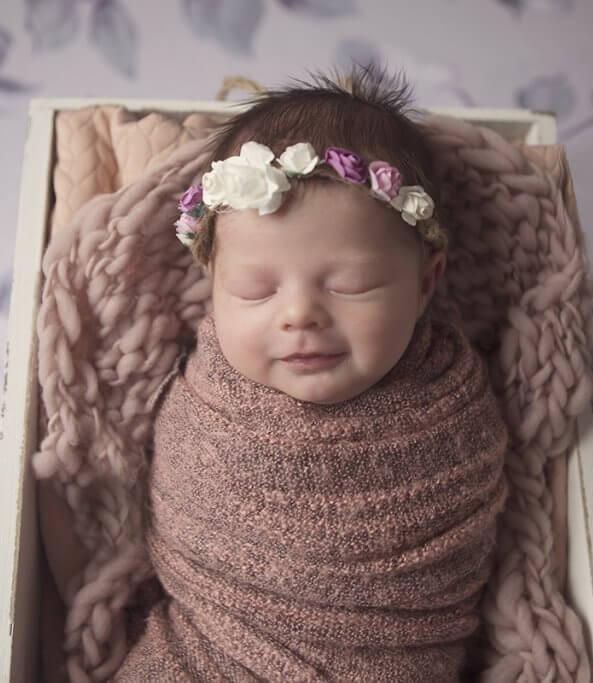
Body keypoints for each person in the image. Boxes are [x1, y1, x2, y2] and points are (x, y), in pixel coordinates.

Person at [112, 67, 509, 682]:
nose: (299, 315)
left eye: (350, 286)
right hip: (205, 648)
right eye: (253, 290)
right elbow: (181, 511)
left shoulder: (448, 404)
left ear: (426, 282)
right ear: (212, 287)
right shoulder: (208, 396)